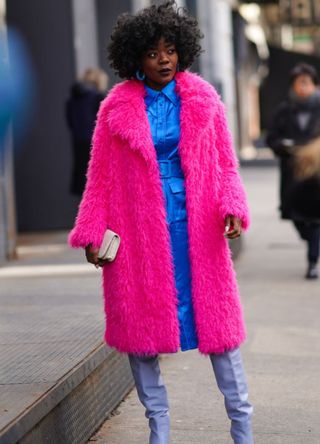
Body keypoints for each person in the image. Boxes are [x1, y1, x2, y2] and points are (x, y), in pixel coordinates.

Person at [68, 2, 253, 443]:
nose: (164, 59)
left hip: (198, 227)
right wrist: (93, 231)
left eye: (171, 49)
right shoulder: (115, 108)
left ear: (183, 51)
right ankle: (160, 431)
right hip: (139, 232)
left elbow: (227, 166)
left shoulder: (205, 99)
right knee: (142, 336)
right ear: (136, 57)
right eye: (153, 52)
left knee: (221, 333)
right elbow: (99, 177)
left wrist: (232, 205)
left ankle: (243, 427)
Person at [267, 63, 320, 279]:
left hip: (316, 173)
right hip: (292, 173)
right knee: (297, 218)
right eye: (299, 83)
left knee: (316, 218)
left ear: (315, 85)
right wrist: (283, 146)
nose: (303, 87)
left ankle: (312, 262)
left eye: (307, 82)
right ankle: (311, 240)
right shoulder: (283, 111)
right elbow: (272, 138)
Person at [66, 68, 108, 196]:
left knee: (84, 183)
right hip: (97, 144)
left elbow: (70, 123)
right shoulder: (98, 98)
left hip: (78, 143)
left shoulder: (72, 100)